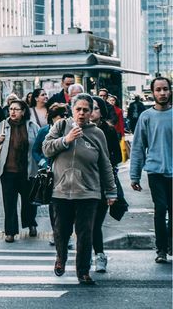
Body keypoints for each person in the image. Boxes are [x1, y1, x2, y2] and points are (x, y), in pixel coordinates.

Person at [43, 93, 117, 285]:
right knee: (61, 230)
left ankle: (83, 271)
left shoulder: (97, 133)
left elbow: (105, 164)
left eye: (86, 110)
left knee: (85, 232)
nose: (82, 113)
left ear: (91, 112)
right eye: (78, 109)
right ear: (71, 110)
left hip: (88, 191)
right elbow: (46, 148)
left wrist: (111, 191)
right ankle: (61, 257)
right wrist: (66, 140)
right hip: (61, 189)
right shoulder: (60, 126)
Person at [130, 77, 173, 264]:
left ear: (170, 91)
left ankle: (170, 242)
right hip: (155, 171)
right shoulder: (146, 116)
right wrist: (134, 175)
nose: (162, 93)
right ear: (152, 93)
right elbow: (138, 147)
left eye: (165, 89)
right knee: (160, 209)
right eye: (158, 90)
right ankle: (161, 249)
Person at [0, 100, 40, 243]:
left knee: (29, 201)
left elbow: (39, 145)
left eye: (16, 109)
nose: (12, 112)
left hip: (28, 171)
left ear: (23, 111)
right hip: (8, 171)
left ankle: (31, 224)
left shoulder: (32, 126)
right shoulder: (3, 125)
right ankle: (10, 232)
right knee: (9, 203)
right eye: (11, 109)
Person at [90, 96, 122, 273]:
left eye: (95, 108)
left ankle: (99, 255)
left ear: (101, 112)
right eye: (89, 108)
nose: (91, 112)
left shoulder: (108, 131)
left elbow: (117, 156)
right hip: (83, 183)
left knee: (95, 223)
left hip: (102, 183)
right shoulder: (79, 129)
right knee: (83, 223)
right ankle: (86, 254)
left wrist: (103, 162)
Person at [31, 103, 70, 247]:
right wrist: (43, 163)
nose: (64, 119)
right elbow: (35, 150)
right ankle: (56, 233)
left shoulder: (70, 131)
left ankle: (66, 234)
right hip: (51, 174)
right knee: (54, 206)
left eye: (66, 115)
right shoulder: (44, 131)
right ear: (53, 118)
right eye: (60, 116)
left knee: (68, 205)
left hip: (67, 173)